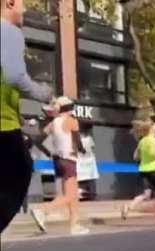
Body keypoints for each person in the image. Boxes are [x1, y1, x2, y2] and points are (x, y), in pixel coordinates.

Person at [0, 0, 52, 235]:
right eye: (22, 4)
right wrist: (44, 93)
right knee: (21, 170)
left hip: (8, 119)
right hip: (2, 124)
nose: (24, 10)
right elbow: (13, 76)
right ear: (9, 3)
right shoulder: (9, 31)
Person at [30, 96, 89, 235]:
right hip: (69, 160)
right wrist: (82, 150)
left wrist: (49, 152)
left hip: (57, 161)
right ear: (69, 108)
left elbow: (37, 140)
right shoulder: (72, 121)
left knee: (72, 195)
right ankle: (42, 210)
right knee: (69, 196)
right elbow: (77, 140)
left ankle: (75, 226)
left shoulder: (52, 124)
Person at [121, 120, 155, 225]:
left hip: (143, 170)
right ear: (151, 130)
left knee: (145, 194)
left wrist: (144, 158)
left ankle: (129, 207)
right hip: (154, 169)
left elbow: (135, 157)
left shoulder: (142, 141)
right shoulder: (154, 140)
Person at [77, 121, 99, 200]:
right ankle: (91, 194)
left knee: (81, 180)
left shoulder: (77, 139)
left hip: (81, 162)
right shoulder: (89, 139)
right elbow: (92, 148)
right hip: (89, 163)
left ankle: (82, 194)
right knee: (90, 180)